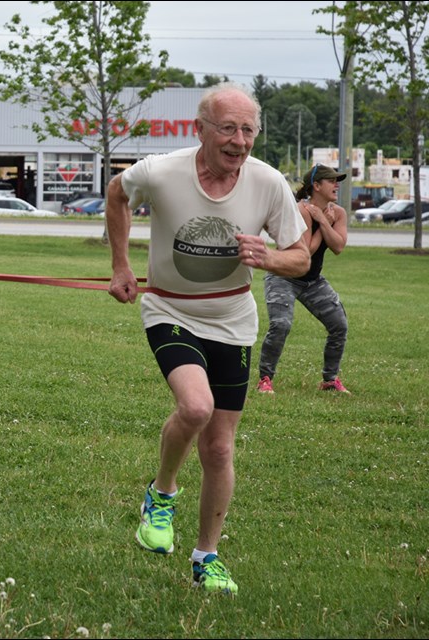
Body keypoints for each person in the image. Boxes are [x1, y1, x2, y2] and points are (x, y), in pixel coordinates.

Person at [103, 82, 310, 595]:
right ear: (201, 130)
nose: (239, 141)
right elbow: (116, 193)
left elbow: (300, 257)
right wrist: (122, 265)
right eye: (228, 129)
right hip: (169, 308)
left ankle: (206, 558)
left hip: (233, 321)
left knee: (219, 448)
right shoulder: (162, 171)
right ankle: (162, 492)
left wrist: (268, 258)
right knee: (195, 407)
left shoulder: (267, 183)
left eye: (248, 130)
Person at [256, 164, 350, 394]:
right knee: (281, 324)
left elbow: (338, 246)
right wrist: (320, 224)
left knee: (339, 325)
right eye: (331, 180)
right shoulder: (301, 211)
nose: (337, 184)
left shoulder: (338, 213)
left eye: (338, 180)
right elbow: (305, 252)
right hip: (284, 277)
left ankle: (330, 379)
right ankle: (265, 379)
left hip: (312, 281)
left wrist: (324, 221)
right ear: (316, 186)